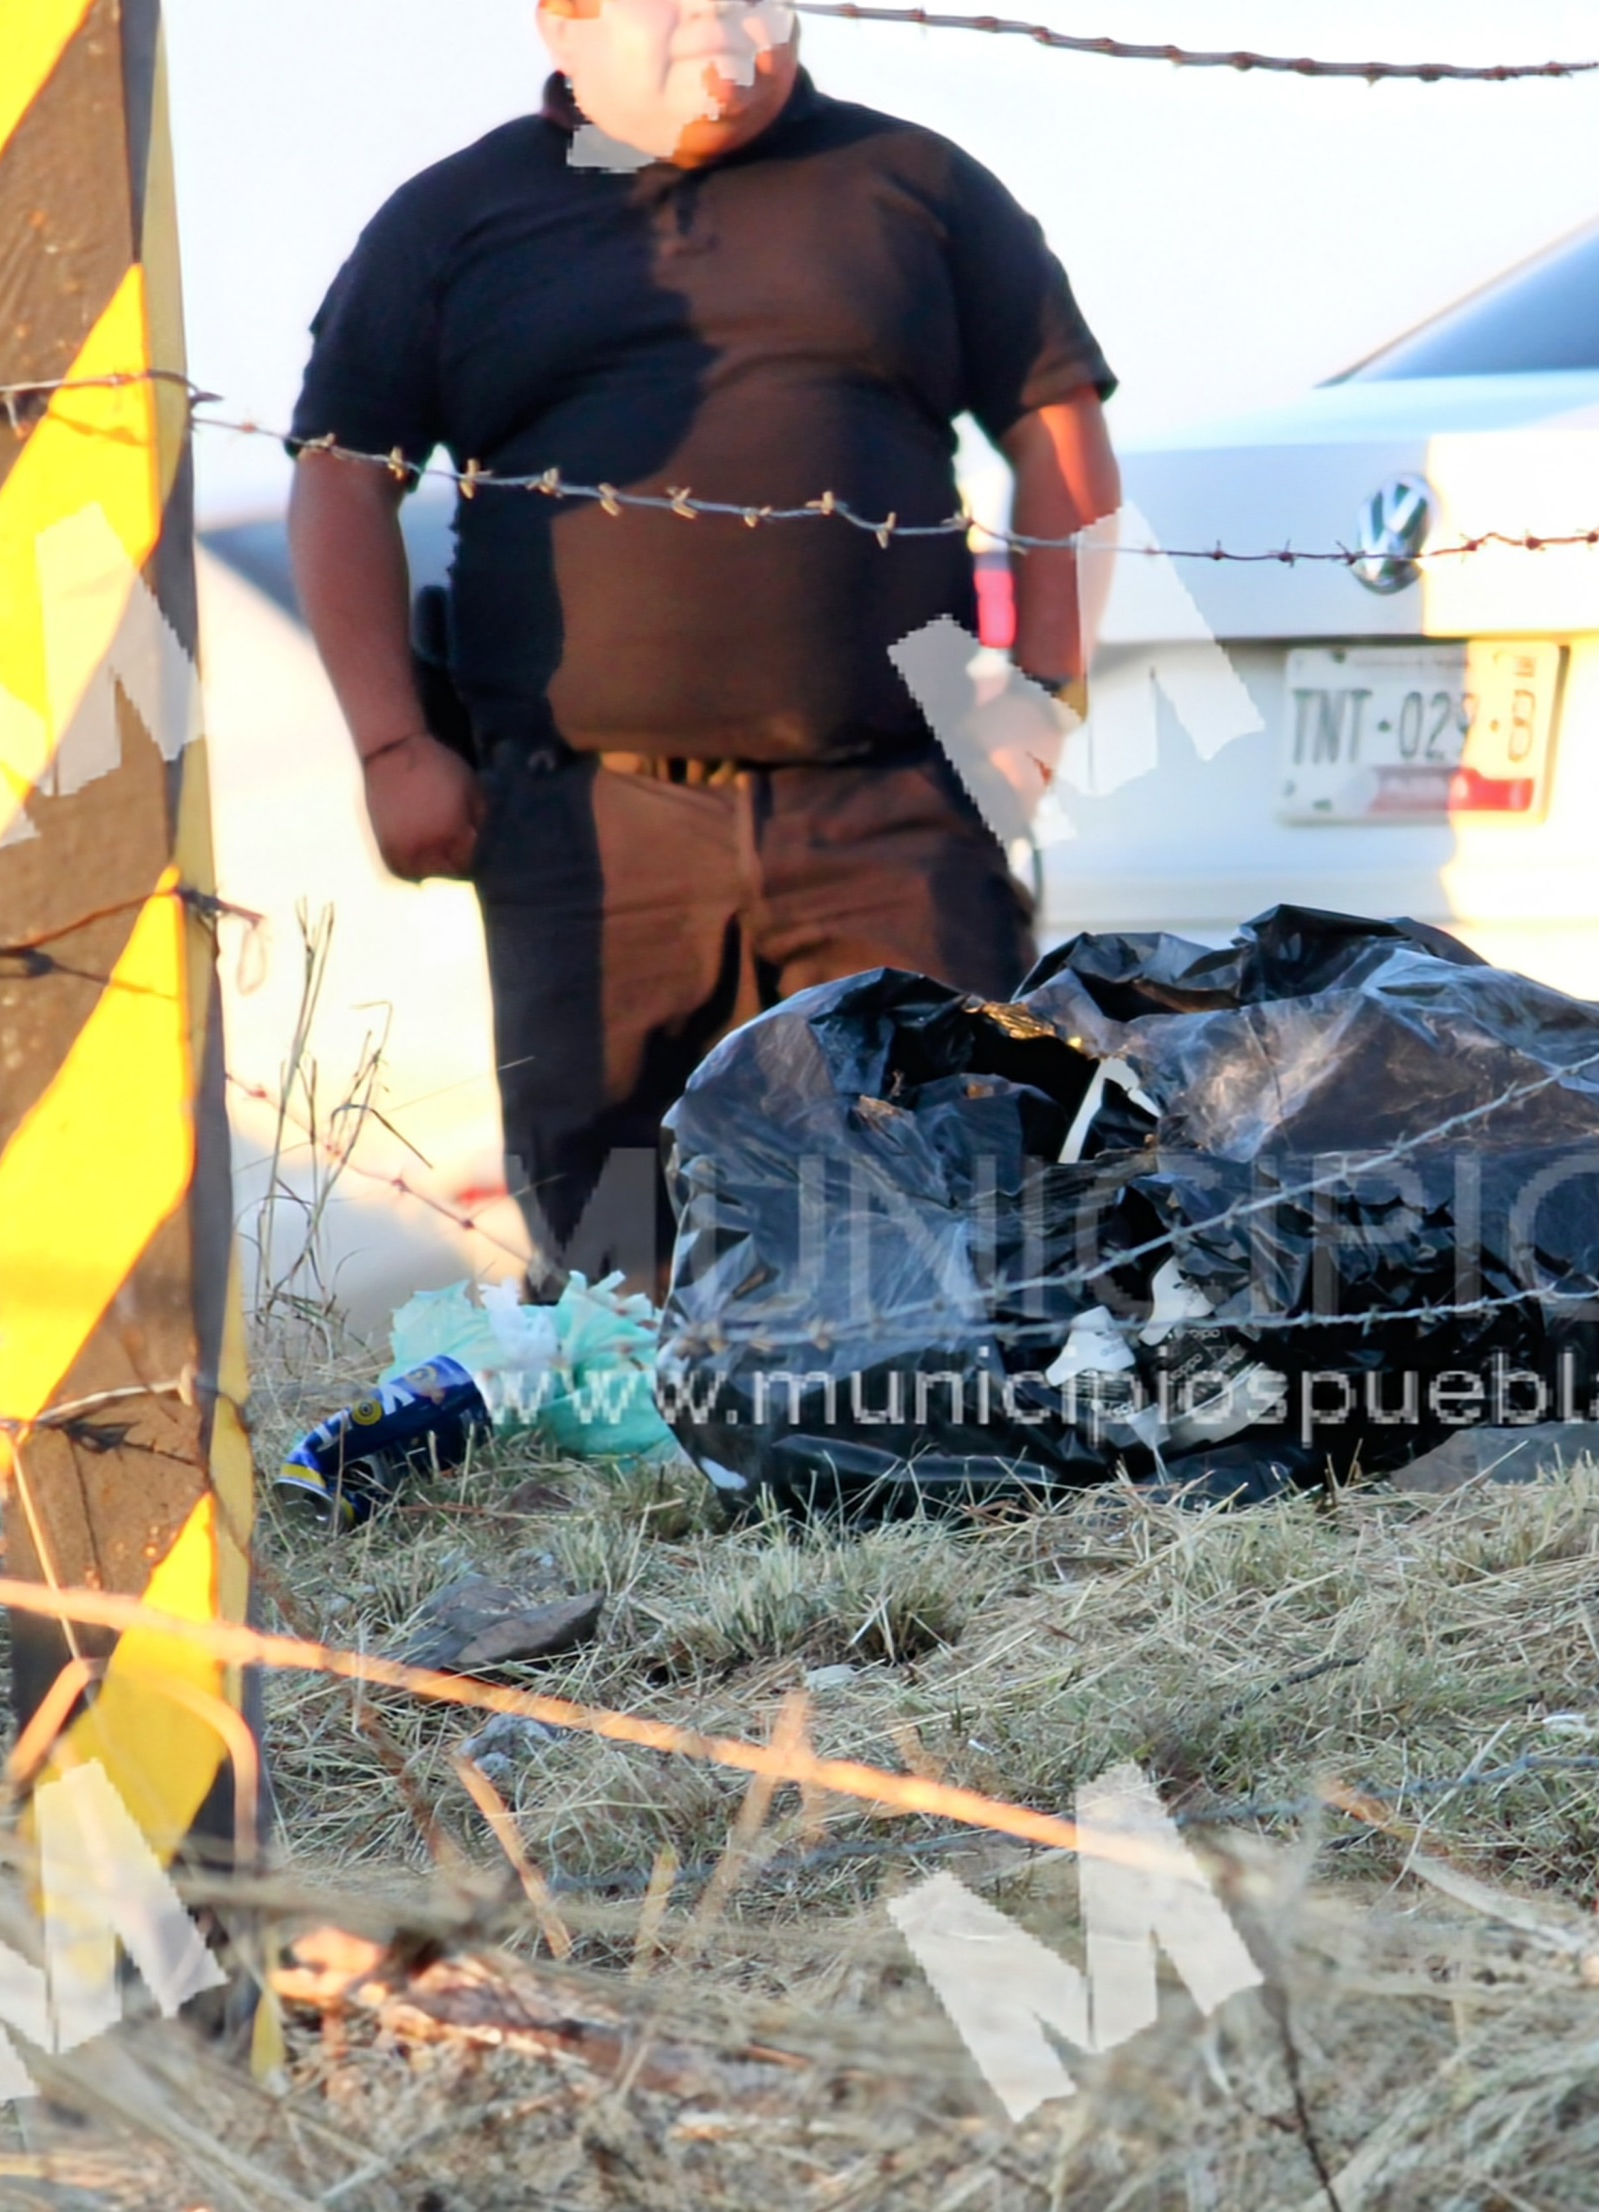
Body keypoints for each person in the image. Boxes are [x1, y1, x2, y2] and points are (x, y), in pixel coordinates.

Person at [288, 0, 1120, 1291]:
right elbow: (343, 484)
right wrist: (396, 745)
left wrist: (1047, 692)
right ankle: (651, 1475)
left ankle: (943, 1483)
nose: (723, 32)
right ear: (565, 21)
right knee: (619, 1246)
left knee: (958, 1210)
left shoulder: (915, 186)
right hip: (594, 830)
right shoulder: (456, 222)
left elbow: (1055, 429)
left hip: (890, 805)